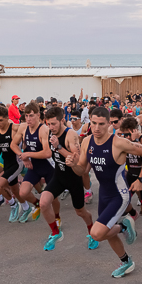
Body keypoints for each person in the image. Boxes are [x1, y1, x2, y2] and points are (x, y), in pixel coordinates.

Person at [66, 107, 142, 278]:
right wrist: (72, 165)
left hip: (119, 195)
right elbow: (82, 171)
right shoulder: (87, 142)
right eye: (93, 123)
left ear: (108, 125)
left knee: (97, 233)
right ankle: (126, 261)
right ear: (89, 122)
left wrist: (141, 179)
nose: (96, 128)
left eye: (101, 124)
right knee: (106, 232)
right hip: (104, 195)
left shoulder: (118, 143)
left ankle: (123, 226)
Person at [40, 107, 99, 251]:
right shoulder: (49, 132)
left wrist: (58, 146)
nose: (51, 127)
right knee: (43, 203)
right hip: (59, 175)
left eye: (54, 124)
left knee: (81, 212)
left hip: (73, 178)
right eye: (49, 123)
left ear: (62, 121)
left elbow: (76, 159)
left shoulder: (70, 134)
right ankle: (56, 232)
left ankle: (92, 231)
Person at [0, 106, 33, 219]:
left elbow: (27, 128)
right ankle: (26, 208)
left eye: (0, 120)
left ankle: (13, 205)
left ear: (7, 118)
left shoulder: (15, 128)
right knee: (15, 189)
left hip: (16, 163)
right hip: (6, 161)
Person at [14, 102, 57, 224]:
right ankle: (37, 204)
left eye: (31, 115)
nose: (28, 119)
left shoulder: (44, 129)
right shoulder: (23, 127)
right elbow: (13, 144)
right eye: (26, 115)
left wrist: (28, 154)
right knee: (22, 192)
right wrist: (23, 157)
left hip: (49, 167)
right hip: (34, 166)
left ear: (38, 115)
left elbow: (47, 153)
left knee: (54, 198)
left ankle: (57, 216)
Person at [120, 117, 142, 238]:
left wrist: (135, 140)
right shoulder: (124, 141)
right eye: (124, 134)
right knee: (123, 201)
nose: (126, 137)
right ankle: (133, 213)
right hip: (130, 175)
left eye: (127, 134)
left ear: (134, 130)